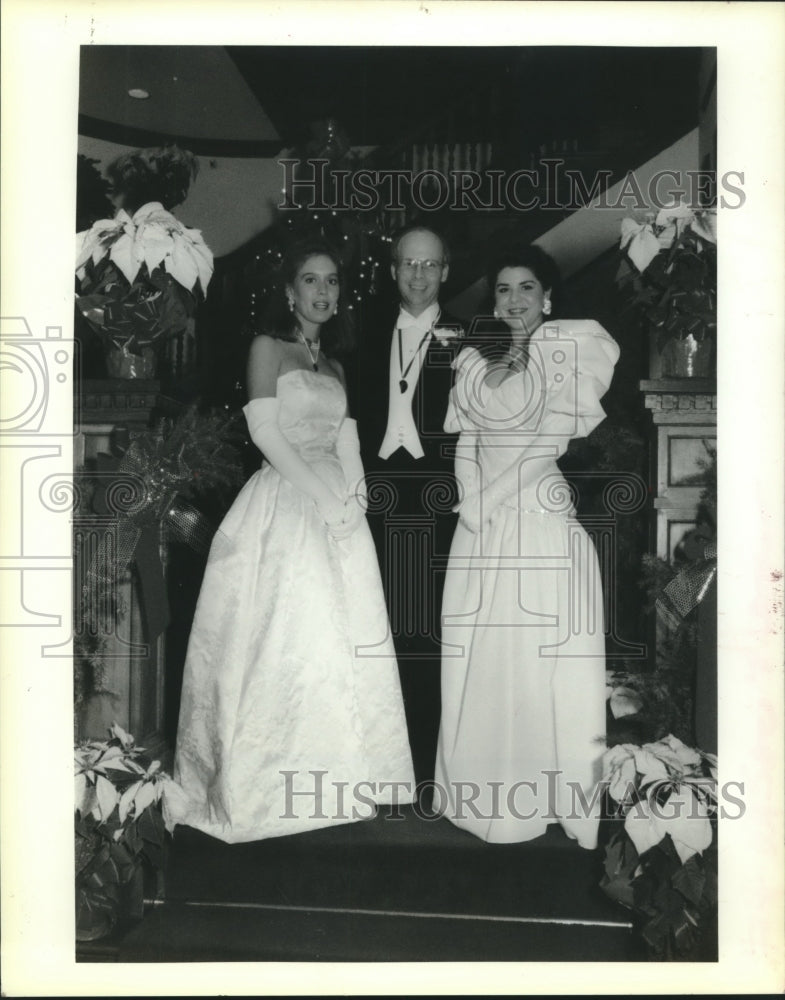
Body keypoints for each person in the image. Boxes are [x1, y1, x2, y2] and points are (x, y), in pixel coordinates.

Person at [170, 240, 415, 844]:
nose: (323, 292)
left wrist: (354, 501)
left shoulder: (334, 364)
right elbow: (265, 432)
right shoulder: (267, 348)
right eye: (310, 281)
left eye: (331, 282)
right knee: (289, 632)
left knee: (344, 635)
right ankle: (269, 783)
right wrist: (326, 499)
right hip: (286, 498)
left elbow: (349, 439)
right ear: (289, 292)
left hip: (337, 508)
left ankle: (347, 776)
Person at [434, 244, 620, 847]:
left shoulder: (566, 348)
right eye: (504, 290)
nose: (513, 300)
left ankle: (550, 794)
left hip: (537, 516)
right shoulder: (475, 362)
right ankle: (484, 792)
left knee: (537, 657)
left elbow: (547, 443)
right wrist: (471, 502)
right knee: (480, 655)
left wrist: (489, 500)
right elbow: (466, 439)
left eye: (526, 288)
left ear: (548, 297)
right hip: (482, 525)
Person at [356, 225, 464, 796]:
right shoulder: (364, 333)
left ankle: (426, 765)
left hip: (439, 499)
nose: (418, 274)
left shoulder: (473, 336)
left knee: (429, 627)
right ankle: (379, 761)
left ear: (445, 270)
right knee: (379, 621)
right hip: (376, 495)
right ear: (393, 269)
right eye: (407, 264)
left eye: (429, 264)